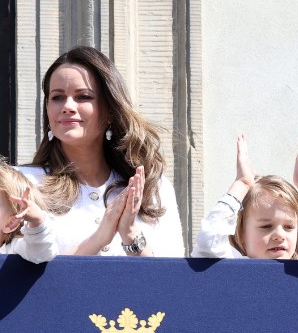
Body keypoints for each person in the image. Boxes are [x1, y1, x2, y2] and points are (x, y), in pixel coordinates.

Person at [16, 46, 184, 257]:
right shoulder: (22, 184)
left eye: (83, 96)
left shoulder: (154, 187)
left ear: (110, 111)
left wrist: (131, 235)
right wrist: (99, 238)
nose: (67, 106)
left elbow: (173, 280)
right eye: (57, 97)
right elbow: (17, 276)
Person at [192, 133, 298, 261]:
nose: (279, 235)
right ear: (241, 233)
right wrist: (241, 185)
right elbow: (208, 243)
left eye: (289, 227)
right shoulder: (231, 264)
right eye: (266, 226)